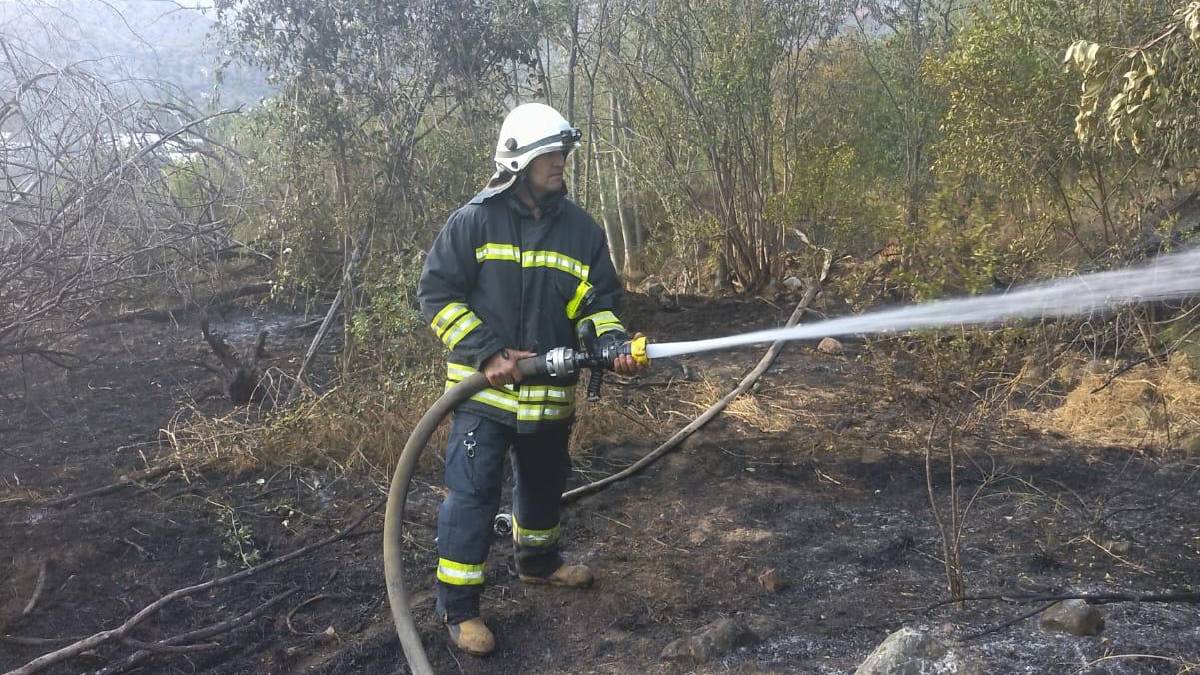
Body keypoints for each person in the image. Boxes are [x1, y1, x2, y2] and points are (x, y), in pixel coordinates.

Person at [417, 102, 646, 656]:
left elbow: (598, 304)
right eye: (550, 153)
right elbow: (435, 294)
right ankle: (460, 609)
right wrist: (486, 352)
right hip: (486, 400)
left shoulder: (582, 232)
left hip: (549, 399)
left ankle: (538, 565)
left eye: (563, 152)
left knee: (543, 486)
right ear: (518, 158)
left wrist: (609, 341)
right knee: (472, 497)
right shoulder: (474, 221)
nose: (561, 162)